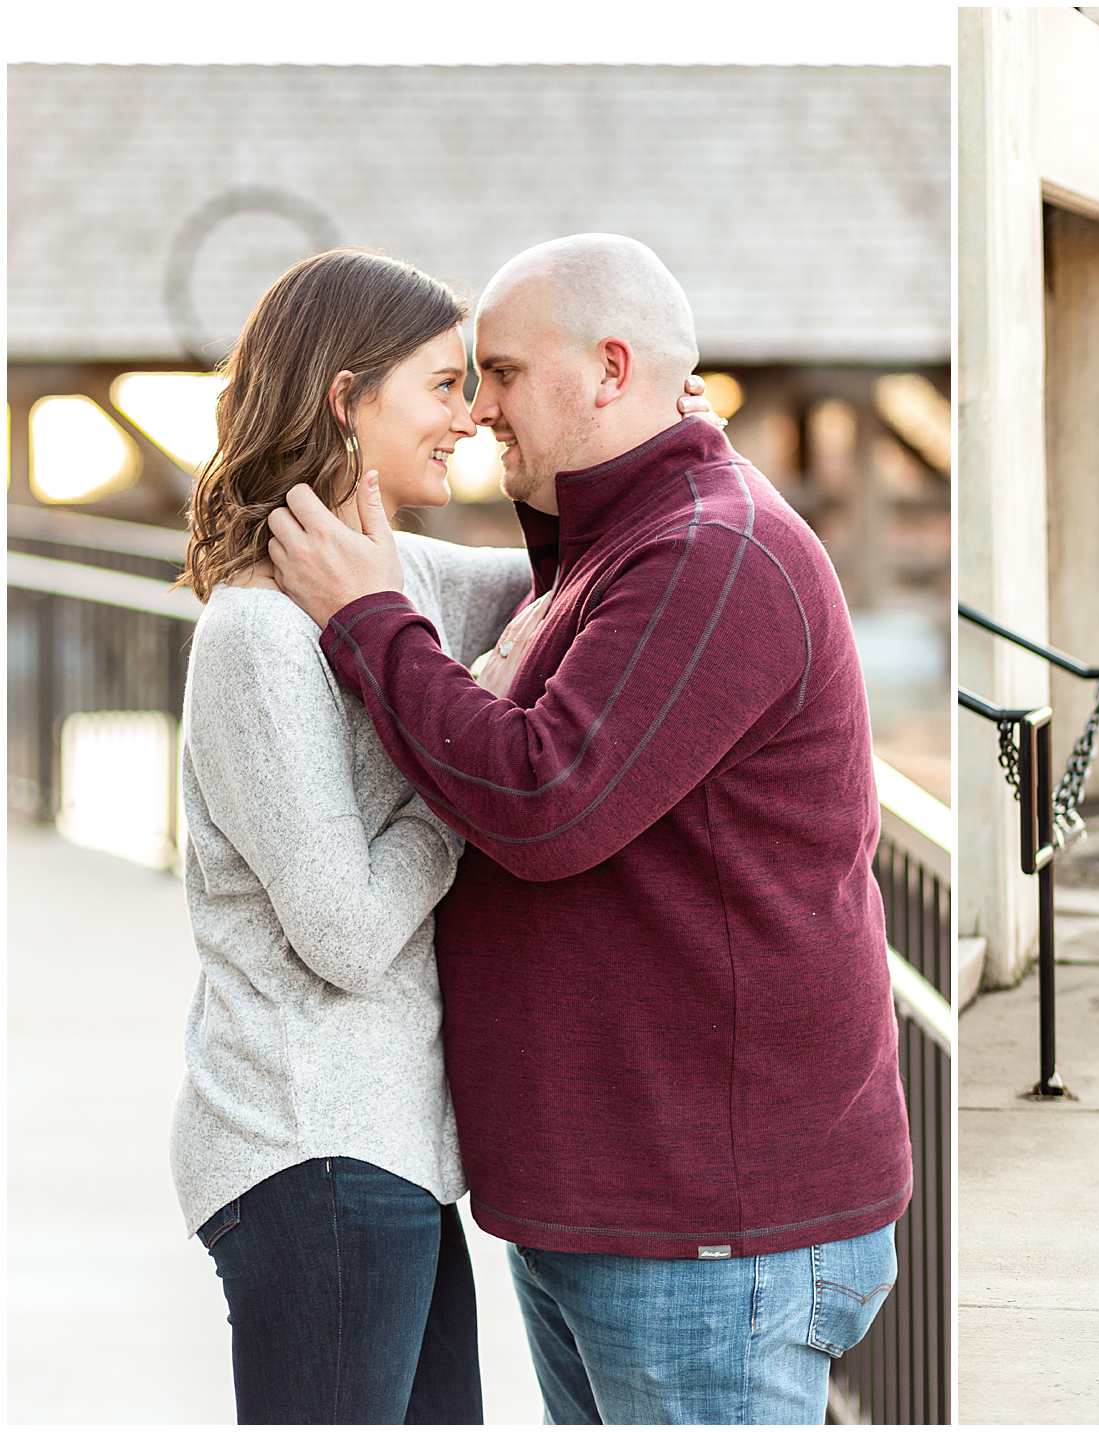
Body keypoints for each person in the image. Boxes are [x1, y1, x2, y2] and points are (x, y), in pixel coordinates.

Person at [266, 233, 911, 1425]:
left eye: (501, 372)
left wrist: (365, 618)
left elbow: (540, 798)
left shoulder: (708, 552)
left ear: (611, 369)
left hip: (710, 1233)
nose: (479, 408)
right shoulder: (612, 547)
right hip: (627, 1209)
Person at [170, 246, 711, 1423]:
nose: (470, 416)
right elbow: (350, 933)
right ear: (344, 398)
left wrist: (668, 429)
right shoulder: (259, 637)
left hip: (390, 1152)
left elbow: (582, 580)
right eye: (439, 385)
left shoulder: (405, 571)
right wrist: (469, 776)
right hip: (305, 1144)